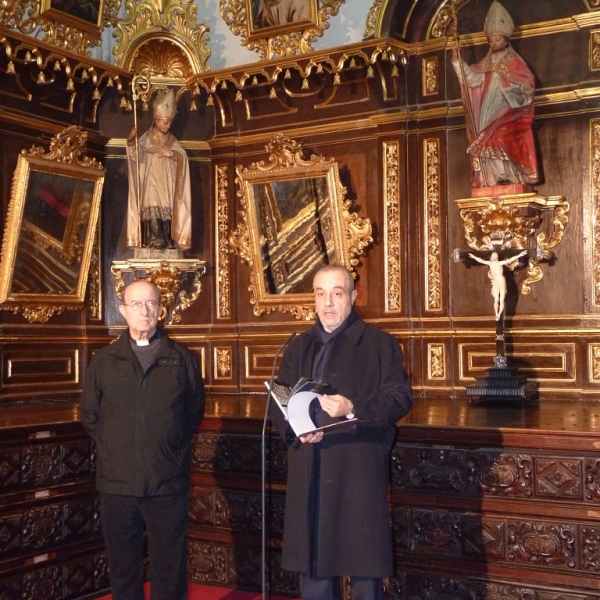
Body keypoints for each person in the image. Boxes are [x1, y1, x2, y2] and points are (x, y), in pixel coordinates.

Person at [270, 264, 414, 600]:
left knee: (363, 563)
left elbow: (399, 398)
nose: (328, 303)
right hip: (310, 467)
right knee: (315, 564)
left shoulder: (379, 344)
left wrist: (352, 407)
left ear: (352, 297)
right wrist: (296, 431)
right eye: (321, 294)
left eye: (336, 293)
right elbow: (278, 404)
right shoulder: (298, 346)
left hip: (356, 468)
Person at [80, 280, 204, 600]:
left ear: (161, 309)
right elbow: (91, 415)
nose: (144, 310)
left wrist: (167, 447)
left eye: (150, 303)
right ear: (123, 311)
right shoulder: (104, 362)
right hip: (117, 484)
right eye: (136, 304)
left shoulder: (182, 360)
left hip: (166, 482)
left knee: (169, 567)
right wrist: (116, 448)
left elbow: (192, 414)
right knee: (123, 568)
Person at [452, 1, 538, 188]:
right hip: (487, 111)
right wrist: (458, 62)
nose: (494, 43)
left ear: (506, 40)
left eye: (497, 39)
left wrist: (525, 89)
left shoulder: (514, 61)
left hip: (509, 111)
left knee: (499, 135)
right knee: (485, 137)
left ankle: (506, 174)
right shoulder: (486, 63)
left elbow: (528, 82)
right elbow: (471, 80)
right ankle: (489, 179)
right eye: (491, 40)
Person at [126, 88, 192, 250]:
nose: (167, 125)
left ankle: (168, 240)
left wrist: (172, 154)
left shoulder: (171, 140)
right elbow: (135, 154)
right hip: (151, 180)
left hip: (167, 182)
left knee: (168, 206)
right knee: (153, 204)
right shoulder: (147, 138)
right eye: (164, 122)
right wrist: (130, 141)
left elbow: (182, 157)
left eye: (169, 122)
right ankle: (154, 240)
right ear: (156, 120)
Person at [468, 250, 527, 320]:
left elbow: (510, 260)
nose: (493, 257)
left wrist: (519, 255)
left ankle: (499, 313)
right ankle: (497, 314)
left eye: (494, 256)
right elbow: (480, 260)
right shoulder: (490, 263)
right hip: (495, 281)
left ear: (497, 257)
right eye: (492, 256)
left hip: (501, 281)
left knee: (501, 300)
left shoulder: (500, 263)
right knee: (496, 299)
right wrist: (474, 257)